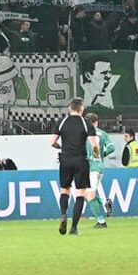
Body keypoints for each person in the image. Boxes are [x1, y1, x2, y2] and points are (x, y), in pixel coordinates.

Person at [51, 98, 97, 235]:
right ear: (82, 109)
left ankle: (63, 214)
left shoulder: (62, 122)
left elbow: (52, 142)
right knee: (81, 193)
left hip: (65, 159)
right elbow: (94, 145)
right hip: (81, 160)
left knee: (65, 190)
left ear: (70, 108)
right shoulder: (86, 123)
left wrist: (62, 147)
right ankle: (74, 228)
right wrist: (96, 155)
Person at [85, 111, 115, 227]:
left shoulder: (84, 134)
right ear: (96, 123)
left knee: (89, 194)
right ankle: (104, 203)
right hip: (99, 167)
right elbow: (112, 147)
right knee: (88, 193)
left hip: (90, 168)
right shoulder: (103, 133)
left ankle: (101, 221)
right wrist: (102, 155)